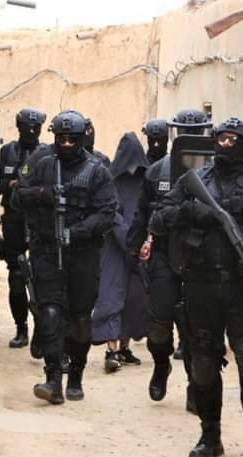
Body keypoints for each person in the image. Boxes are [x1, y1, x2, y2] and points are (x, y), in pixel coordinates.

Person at [149, 117, 243, 457]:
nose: (225, 144)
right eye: (220, 138)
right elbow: (158, 220)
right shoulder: (194, 181)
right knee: (204, 363)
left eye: (232, 140)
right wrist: (195, 212)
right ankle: (210, 436)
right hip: (201, 286)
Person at [11, 109, 117, 404]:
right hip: (46, 250)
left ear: (81, 138)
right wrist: (43, 194)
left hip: (83, 255)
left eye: (72, 139)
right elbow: (17, 197)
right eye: (61, 139)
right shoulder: (41, 162)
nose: (66, 144)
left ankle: (76, 375)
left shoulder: (97, 170)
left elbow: (107, 212)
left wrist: (77, 231)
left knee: (80, 319)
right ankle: (53, 379)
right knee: (49, 314)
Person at [126, 111, 210, 412]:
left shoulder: (215, 171)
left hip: (201, 260)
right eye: (184, 132)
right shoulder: (157, 171)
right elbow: (142, 214)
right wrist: (133, 248)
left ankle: (195, 387)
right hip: (164, 254)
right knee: (159, 325)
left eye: (196, 132)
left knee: (195, 331)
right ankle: (161, 364)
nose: (190, 138)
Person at [92, 132, 150, 372]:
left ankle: (124, 348)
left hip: (139, 248)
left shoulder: (147, 181)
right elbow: (111, 212)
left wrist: (146, 241)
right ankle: (111, 350)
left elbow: (150, 211)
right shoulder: (110, 181)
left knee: (135, 300)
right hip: (115, 248)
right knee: (111, 296)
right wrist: (130, 240)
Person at [0, 107, 47, 349]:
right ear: (19, 127)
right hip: (13, 221)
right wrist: (10, 184)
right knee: (16, 277)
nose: (32, 131)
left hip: (38, 221)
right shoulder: (7, 152)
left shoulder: (46, 154)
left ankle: (41, 327)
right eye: (28, 127)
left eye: (36, 128)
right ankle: (21, 328)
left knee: (41, 277)